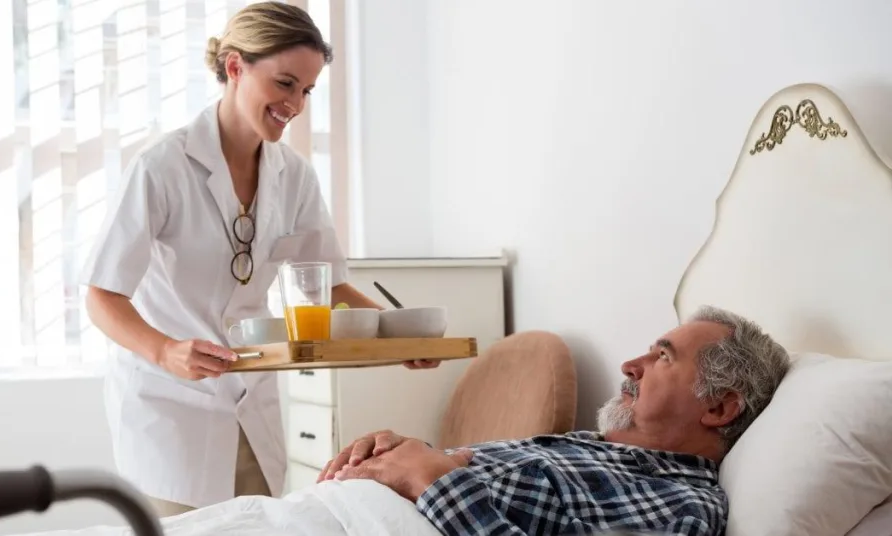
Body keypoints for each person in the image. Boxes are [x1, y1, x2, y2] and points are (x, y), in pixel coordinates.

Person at [79, 2, 437, 518]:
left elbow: (331, 284)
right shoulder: (162, 167)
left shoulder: (294, 176)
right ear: (234, 66)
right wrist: (165, 351)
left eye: (307, 90)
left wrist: (397, 336)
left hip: (252, 402)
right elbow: (101, 293)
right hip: (171, 408)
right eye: (286, 83)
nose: (296, 104)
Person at [312, 305, 791, 535]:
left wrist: (432, 481)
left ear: (719, 408)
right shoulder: (587, 445)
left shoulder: (684, 508)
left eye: (662, 357)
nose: (630, 365)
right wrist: (400, 455)